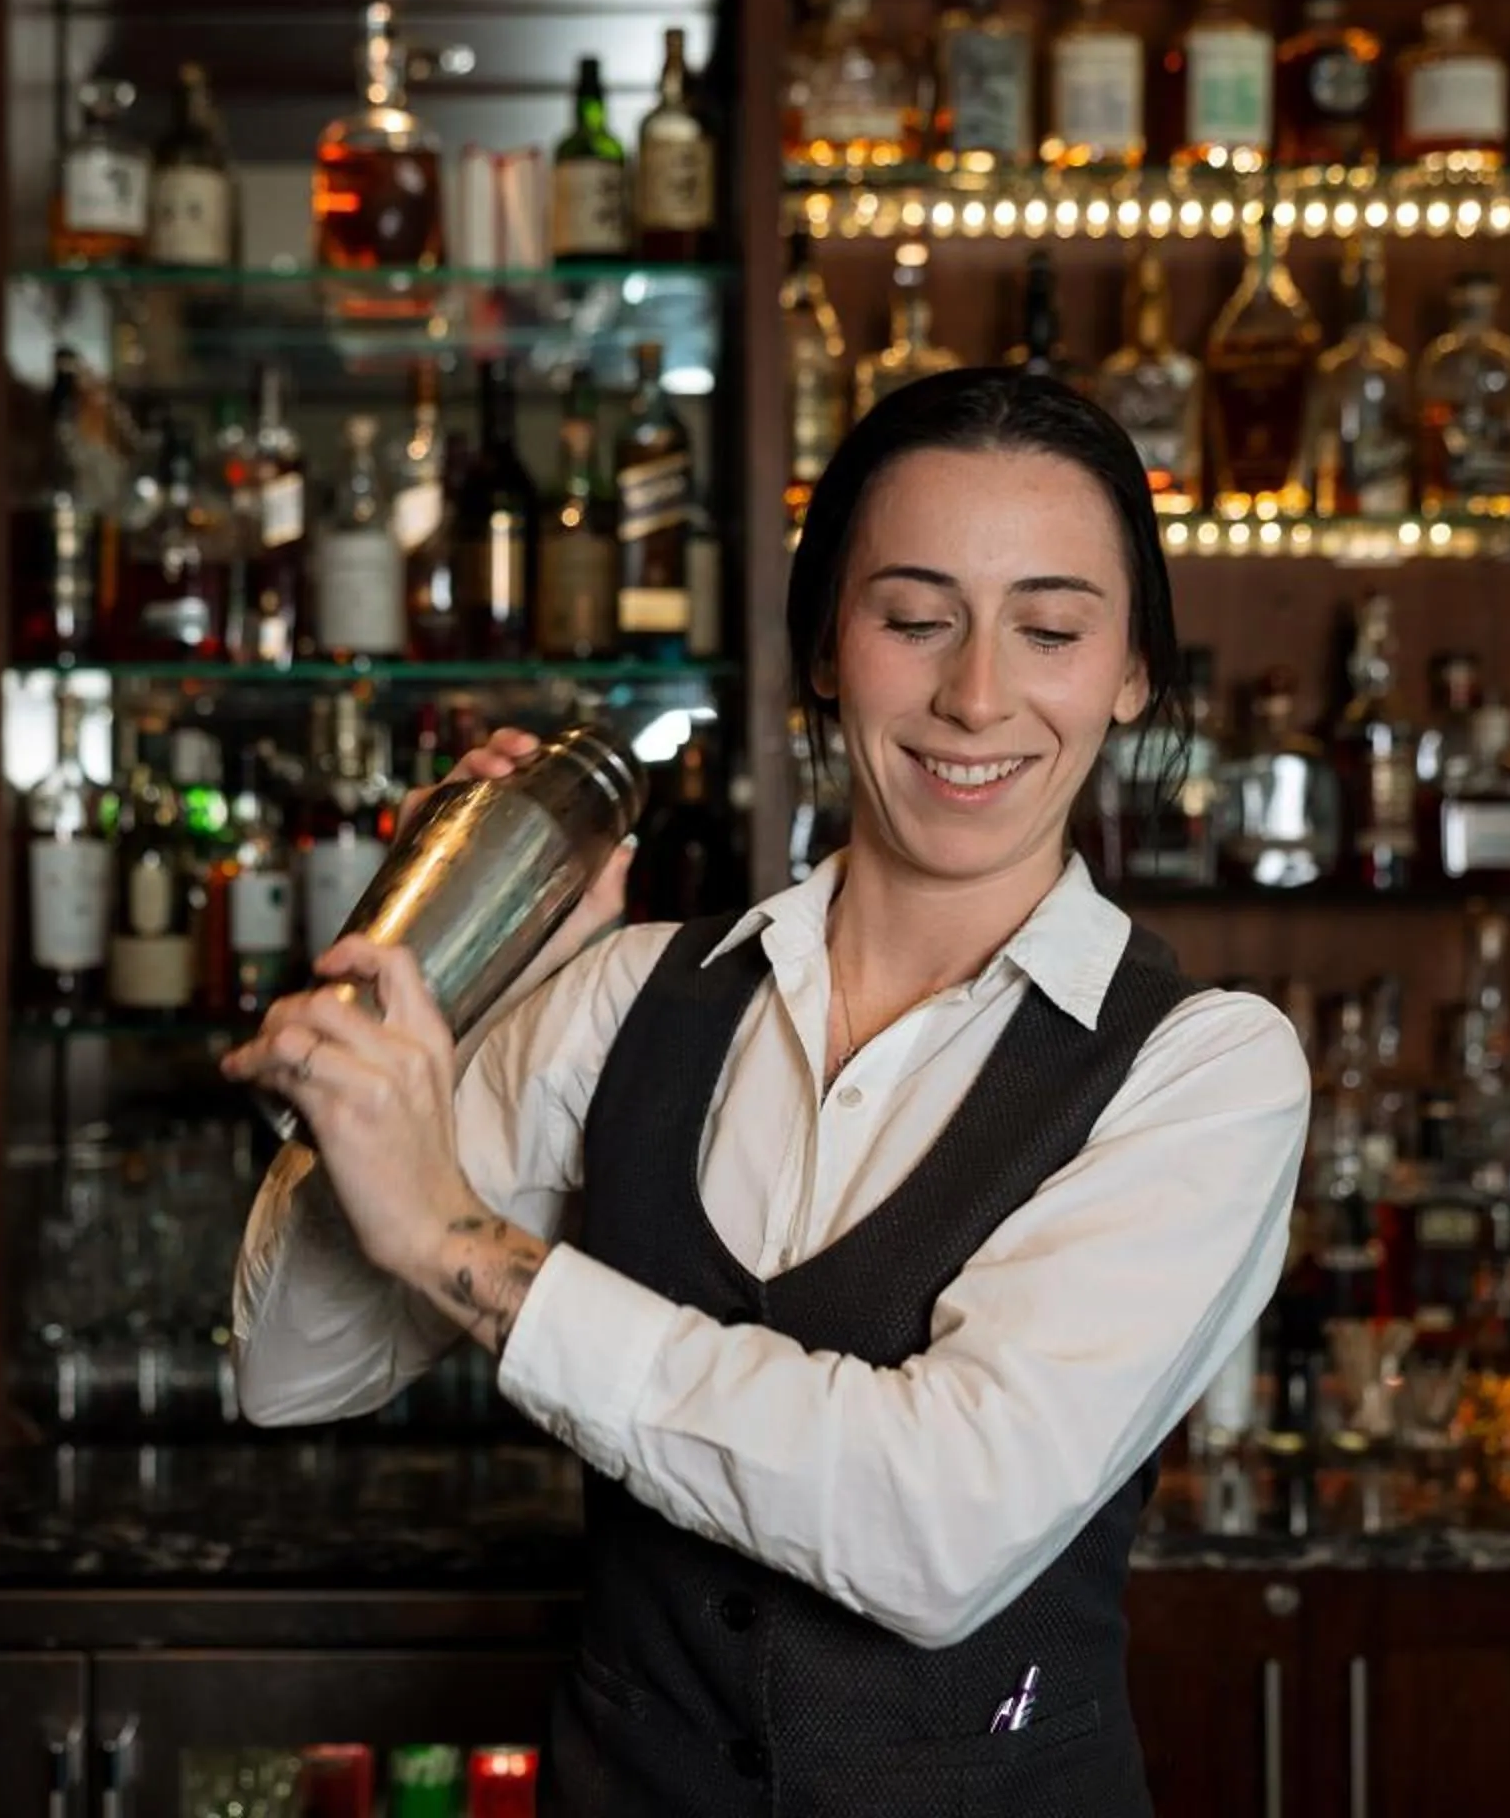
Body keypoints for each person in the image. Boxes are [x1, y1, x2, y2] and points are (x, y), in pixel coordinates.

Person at [223, 368, 1311, 1815]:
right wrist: (448, 981)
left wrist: (464, 1249)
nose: (975, 692)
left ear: (1130, 676)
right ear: (823, 649)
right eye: (913, 619)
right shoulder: (628, 998)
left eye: (1049, 629)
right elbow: (291, 1370)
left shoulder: (1205, 1068)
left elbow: (939, 1528)